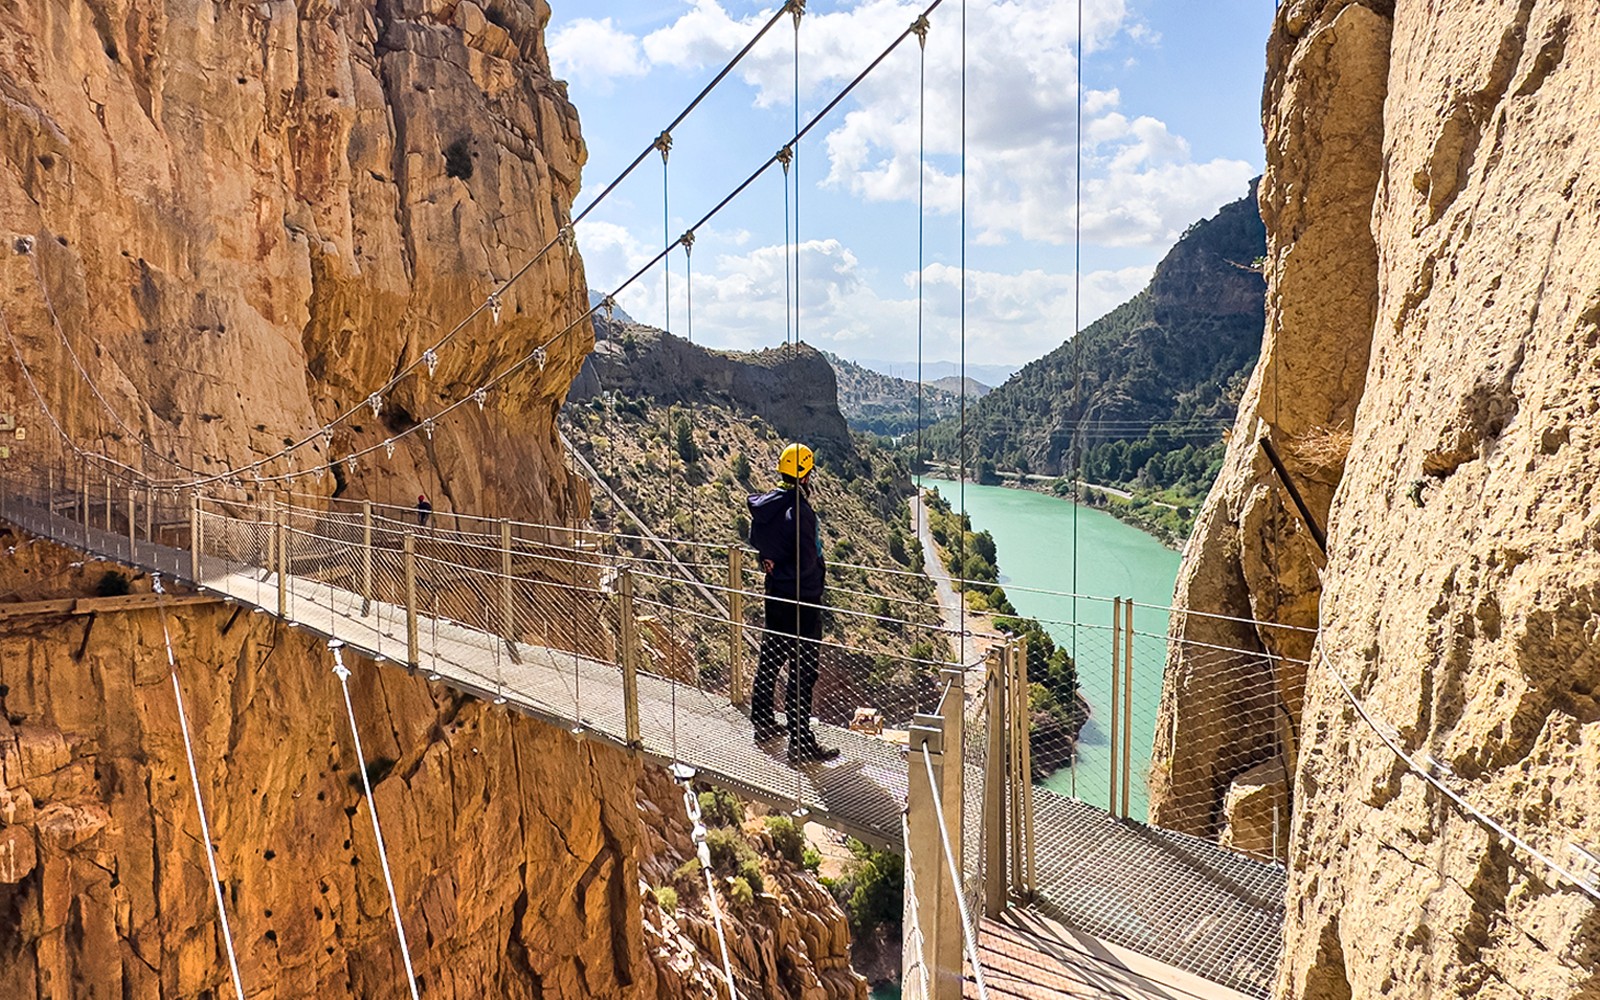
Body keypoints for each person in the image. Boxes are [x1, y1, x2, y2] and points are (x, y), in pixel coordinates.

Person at [747, 443, 840, 764]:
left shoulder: (766, 506)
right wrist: (795, 569)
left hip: (775, 594)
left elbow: (755, 541)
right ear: (805, 475)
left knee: (771, 658)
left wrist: (767, 562)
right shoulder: (799, 512)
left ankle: (762, 721)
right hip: (803, 601)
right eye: (810, 472)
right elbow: (806, 562)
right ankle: (800, 742)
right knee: (804, 672)